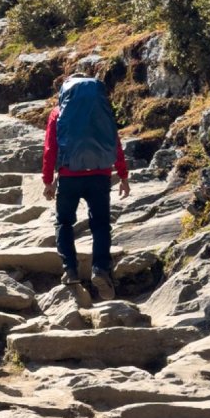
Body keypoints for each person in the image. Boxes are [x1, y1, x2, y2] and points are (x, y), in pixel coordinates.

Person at [42, 73, 130, 299]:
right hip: (100, 175)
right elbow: (114, 142)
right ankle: (100, 269)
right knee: (100, 224)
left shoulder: (58, 113)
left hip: (70, 176)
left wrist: (48, 181)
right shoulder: (101, 111)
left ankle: (70, 270)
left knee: (64, 222)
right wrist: (123, 175)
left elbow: (50, 149)